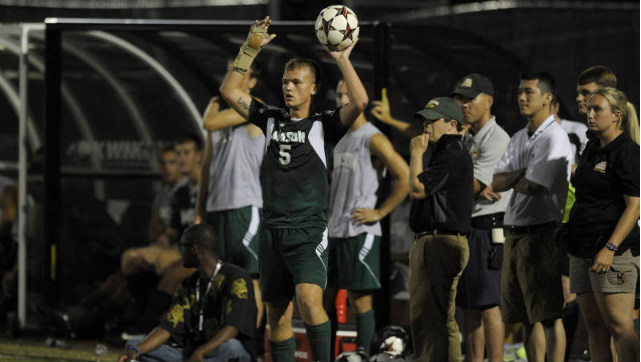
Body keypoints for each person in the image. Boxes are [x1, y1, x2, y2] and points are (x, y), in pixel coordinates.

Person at [219, 16, 368, 362]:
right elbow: (230, 91)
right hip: (271, 231)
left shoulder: (324, 124)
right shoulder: (269, 118)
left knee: (309, 301)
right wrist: (249, 48)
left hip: (307, 230)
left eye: (298, 83)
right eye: (286, 82)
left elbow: (359, 103)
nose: (289, 88)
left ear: (314, 88)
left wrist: (343, 59)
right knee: (276, 314)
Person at [325, 79, 409, 354]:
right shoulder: (342, 138)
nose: (340, 101)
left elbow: (405, 177)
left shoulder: (373, 138)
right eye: (338, 95)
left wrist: (380, 212)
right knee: (325, 300)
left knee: (359, 301)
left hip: (360, 231)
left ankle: (362, 356)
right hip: (335, 230)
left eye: (345, 95)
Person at [492, 72, 571, 362]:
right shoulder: (519, 136)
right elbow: (497, 182)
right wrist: (519, 175)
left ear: (548, 98)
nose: (522, 98)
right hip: (514, 233)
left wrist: (516, 178)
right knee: (525, 316)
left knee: (548, 315)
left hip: (541, 234)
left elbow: (533, 186)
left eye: (529, 92)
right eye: (519, 92)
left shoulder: (555, 137)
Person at [565, 87, 640, 362]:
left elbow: (635, 206)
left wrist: (610, 247)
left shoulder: (628, 152)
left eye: (598, 109)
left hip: (614, 253)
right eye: (589, 108)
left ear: (617, 115)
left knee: (620, 326)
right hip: (583, 248)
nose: (590, 114)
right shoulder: (592, 146)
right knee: (595, 327)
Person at [119, 223, 256, 362]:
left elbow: (232, 328)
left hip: (220, 352)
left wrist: (202, 351)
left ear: (194, 249)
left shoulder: (236, 277)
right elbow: (167, 328)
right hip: (193, 354)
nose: (180, 253)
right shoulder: (188, 283)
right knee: (135, 344)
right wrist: (136, 351)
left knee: (231, 347)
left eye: (182, 247)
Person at [195, 60, 265, 330]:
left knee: (249, 278)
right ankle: (224, 346)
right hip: (217, 207)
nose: (233, 76)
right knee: (219, 278)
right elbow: (206, 167)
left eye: (241, 71)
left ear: (252, 81)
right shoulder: (223, 116)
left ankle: (250, 345)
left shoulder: (252, 104)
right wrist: (200, 213)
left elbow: (208, 122)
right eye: (229, 70)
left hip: (244, 207)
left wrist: (215, 98)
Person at [408, 97, 473, 362]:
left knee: (430, 321)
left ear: (451, 124)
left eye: (432, 121)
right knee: (439, 321)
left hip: (440, 242)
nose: (425, 126)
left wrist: (414, 154)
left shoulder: (452, 152)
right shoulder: (445, 152)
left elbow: (417, 189)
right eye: (424, 120)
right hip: (439, 241)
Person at [451, 74, 510, 362]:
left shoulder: (497, 139)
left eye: (469, 98)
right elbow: (465, 184)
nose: (463, 105)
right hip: (468, 227)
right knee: (468, 305)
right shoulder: (468, 137)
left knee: (488, 304)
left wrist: (462, 181)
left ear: (488, 101)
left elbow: (470, 184)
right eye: (460, 98)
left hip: (489, 229)